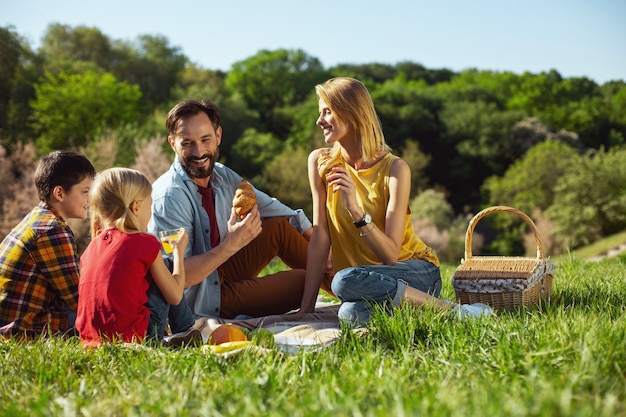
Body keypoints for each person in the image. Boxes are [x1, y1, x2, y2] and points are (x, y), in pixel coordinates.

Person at [299, 77, 494, 326]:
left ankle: (452, 311)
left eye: (327, 111)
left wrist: (356, 211)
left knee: (342, 281)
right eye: (320, 113)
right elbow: (320, 237)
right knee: (349, 315)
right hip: (365, 280)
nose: (319, 121)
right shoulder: (320, 162)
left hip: (415, 271)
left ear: (352, 112)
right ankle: (417, 309)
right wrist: (306, 309)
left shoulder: (395, 169)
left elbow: (390, 255)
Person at [148, 99, 329, 322]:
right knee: (306, 282)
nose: (199, 151)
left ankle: (351, 286)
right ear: (173, 144)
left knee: (280, 228)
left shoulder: (222, 176)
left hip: (222, 271)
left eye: (205, 139)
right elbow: (175, 278)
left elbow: (278, 210)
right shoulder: (169, 198)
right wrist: (232, 244)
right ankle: (347, 289)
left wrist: (321, 247)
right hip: (202, 301)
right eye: (187, 143)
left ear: (218, 136)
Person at [76, 167, 196, 347]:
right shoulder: (145, 243)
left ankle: (179, 334)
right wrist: (178, 252)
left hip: (91, 342)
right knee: (166, 264)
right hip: (136, 341)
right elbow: (175, 296)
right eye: (150, 204)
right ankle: (186, 331)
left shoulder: (90, 248)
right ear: (136, 206)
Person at [0, 150, 96, 338]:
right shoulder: (53, 231)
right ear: (59, 193)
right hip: (26, 332)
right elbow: (80, 299)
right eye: (85, 192)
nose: (89, 199)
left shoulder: (36, 218)